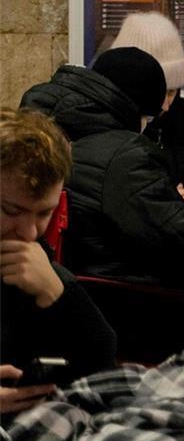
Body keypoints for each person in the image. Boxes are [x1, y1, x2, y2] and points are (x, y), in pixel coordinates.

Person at [20, 47, 184, 289]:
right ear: (132, 107)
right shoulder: (125, 156)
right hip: (125, 299)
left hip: (57, 288)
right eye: (150, 117)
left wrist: (164, 201)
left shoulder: (42, 129)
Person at [0, 108, 117, 416]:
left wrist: (58, 297)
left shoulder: (40, 269)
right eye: (11, 211)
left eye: (43, 213)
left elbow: (104, 372)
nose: (28, 232)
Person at [110, 11, 184, 205]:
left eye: (172, 92)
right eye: (159, 93)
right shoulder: (106, 126)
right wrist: (167, 206)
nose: (166, 106)